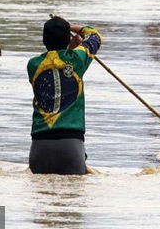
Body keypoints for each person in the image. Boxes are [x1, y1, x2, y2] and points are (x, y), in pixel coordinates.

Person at [27, 16, 103, 175]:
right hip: (71, 145)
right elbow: (95, 35)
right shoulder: (77, 59)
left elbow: (55, 66)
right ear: (66, 39)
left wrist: (69, 49)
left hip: (39, 145)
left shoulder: (33, 65)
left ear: (44, 40)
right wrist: (72, 27)